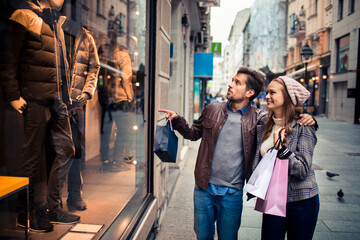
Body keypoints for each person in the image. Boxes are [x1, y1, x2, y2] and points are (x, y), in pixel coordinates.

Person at [158, 67, 315, 240]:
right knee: (202, 236)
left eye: (237, 82)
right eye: (232, 80)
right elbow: (193, 133)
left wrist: (307, 118)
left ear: (250, 92)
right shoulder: (212, 109)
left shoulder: (259, 119)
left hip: (232, 193)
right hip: (203, 189)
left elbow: (285, 119)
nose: (230, 84)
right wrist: (177, 120)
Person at [2, 0, 79, 232]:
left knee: (66, 150)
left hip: (56, 100)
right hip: (34, 98)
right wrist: (12, 94)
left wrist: (66, 97)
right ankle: (25, 215)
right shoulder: (25, 16)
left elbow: (60, 65)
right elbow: (8, 58)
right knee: (32, 159)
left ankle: (53, 207)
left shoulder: (54, 21)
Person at [253, 76, 319, 240]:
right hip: (272, 199)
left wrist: (282, 151)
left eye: (272, 92)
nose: (267, 96)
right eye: (267, 92)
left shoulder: (303, 127)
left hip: (301, 201)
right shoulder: (263, 123)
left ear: (287, 96)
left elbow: (303, 169)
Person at [64, 25, 100, 211]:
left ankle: (74, 194)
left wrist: (87, 92)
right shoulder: (54, 26)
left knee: (76, 149)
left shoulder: (86, 37)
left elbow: (94, 66)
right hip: (54, 98)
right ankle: (46, 200)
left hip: (75, 103)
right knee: (51, 150)